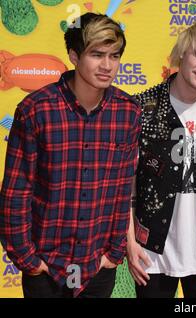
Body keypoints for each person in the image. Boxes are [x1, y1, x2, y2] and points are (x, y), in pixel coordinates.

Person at [0, 13, 141, 298]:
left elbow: (121, 188)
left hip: (97, 268)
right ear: (74, 56)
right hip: (46, 267)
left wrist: (113, 253)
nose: (107, 65)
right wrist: (29, 261)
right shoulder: (36, 110)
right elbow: (16, 192)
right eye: (97, 54)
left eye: (114, 56)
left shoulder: (128, 112)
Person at [126, 16, 196, 298]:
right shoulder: (142, 107)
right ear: (182, 53)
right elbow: (127, 183)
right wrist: (129, 242)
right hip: (149, 254)